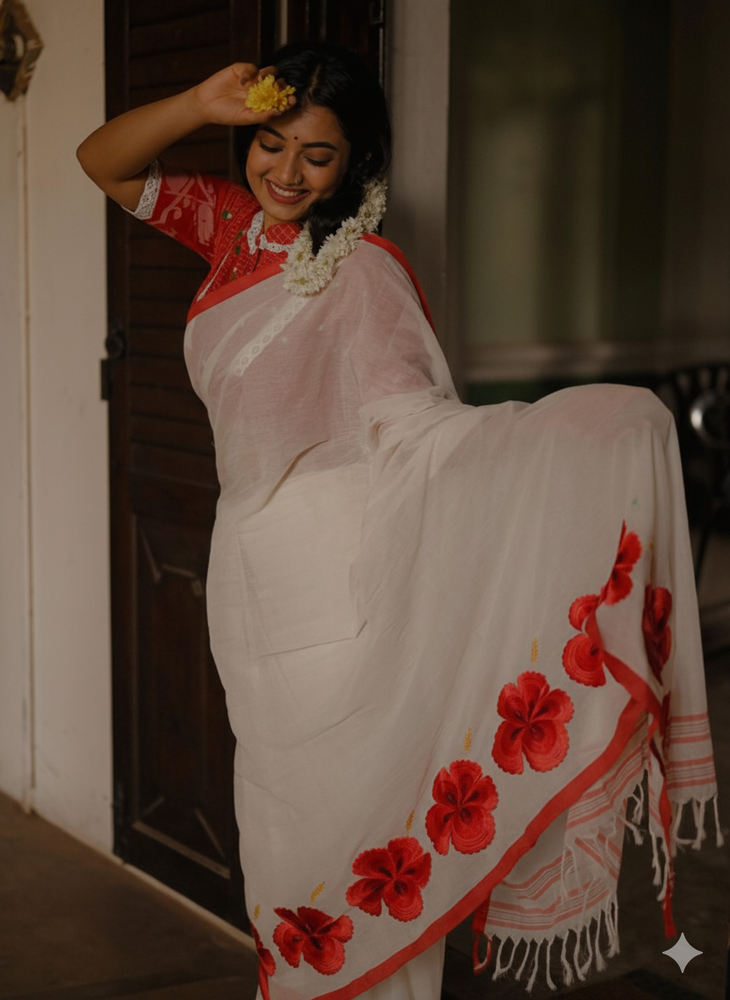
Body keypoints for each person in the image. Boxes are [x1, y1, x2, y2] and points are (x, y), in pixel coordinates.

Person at [78, 42, 720, 1000]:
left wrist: (585, 436)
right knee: (284, 849)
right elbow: (103, 160)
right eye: (268, 142)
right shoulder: (228, 232)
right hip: (250, 584)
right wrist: (198, 103)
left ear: (357, 166)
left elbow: (423, 437)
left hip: (340, 585)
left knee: (357, 824)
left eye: (317, 155)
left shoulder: (364, 272)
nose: (285, 173)